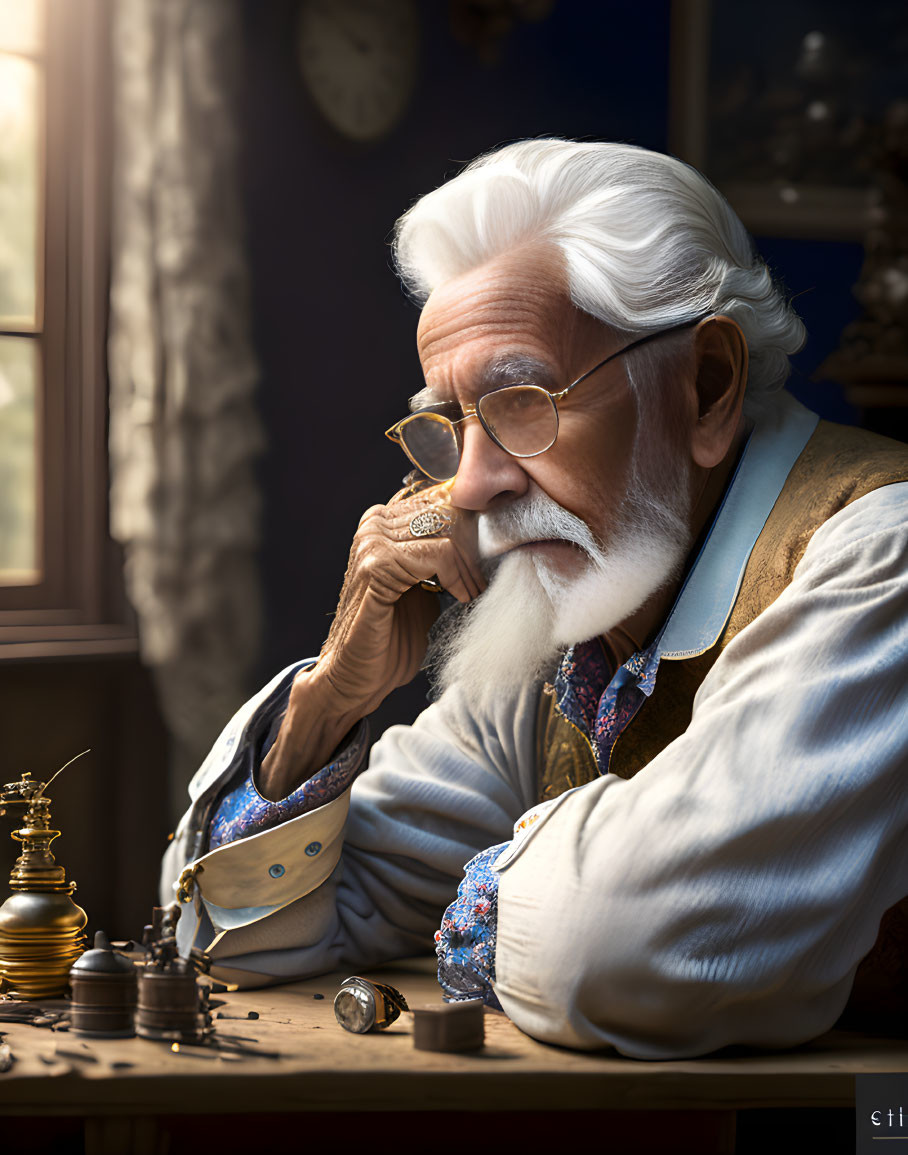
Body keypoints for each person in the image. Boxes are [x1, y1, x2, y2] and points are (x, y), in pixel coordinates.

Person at [162, 139, 908, 1059]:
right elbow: (226, 926)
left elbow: (618, 947)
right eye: (449, 424)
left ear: (706, 387)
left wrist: (480, 886)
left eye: (521, 401)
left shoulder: (882, 555)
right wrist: (328, 702)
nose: (470, 488)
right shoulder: (578, 612)